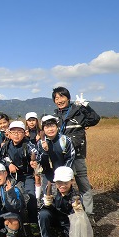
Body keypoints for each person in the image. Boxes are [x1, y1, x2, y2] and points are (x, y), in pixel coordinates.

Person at [52, 87, 100, 224]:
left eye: (62, 97)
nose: (59, 100)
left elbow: (95, 119)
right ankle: (65, 214)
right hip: (62, 157)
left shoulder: (78, 112)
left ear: (68, 98)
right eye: (56, 98)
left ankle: (89, 214)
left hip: (77, 155)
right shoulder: (55, 117)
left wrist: (86, 106)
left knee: (83, 184)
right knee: (62, 184)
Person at [38, 166, 84, 237]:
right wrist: (46, 203)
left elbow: (80, 216)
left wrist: (78, 209)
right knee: (43, 213)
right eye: (59, 182)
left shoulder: (76, 194)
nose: (62, 185)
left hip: (67, 220)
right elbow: (38, 206)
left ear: (72, 181)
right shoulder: (50, 189)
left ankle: (66, 235)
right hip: (53, 218)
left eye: (66, 182)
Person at [0, 121, 38, 224]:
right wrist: (9, 165)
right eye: (13, 132)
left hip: (27, 176)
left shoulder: (28, 144)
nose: (16, 135)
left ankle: (33, 223)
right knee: (12, 197)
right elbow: (1, 158)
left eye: (19, 132)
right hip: (12, 177)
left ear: (24, 133)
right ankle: (16, 223)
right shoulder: (6, 146)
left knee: (30, 197)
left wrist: (34, 161)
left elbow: (36, 154)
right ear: (9, 133)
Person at [36, 115, 75, 191]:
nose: (50, 129)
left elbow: (70, 157)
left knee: (64, 197)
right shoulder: (40, 143)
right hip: (48, 175)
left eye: (52, 126)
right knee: (48, 198)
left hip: (64, 175)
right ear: (43, 129)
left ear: (57, 127)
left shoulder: (65, 140)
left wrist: (64, 173)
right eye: (47, 127)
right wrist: (45, 151)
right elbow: (40, 161)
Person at [25, 112, 43, 201]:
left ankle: (37, 198)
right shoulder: (25, 133)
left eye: (33, 120)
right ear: (26, 122)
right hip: (28, 159)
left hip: (38, 158)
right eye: (29, 121)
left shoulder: (40, 132)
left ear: (36, 121)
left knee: (37, 177)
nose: (31, 123)